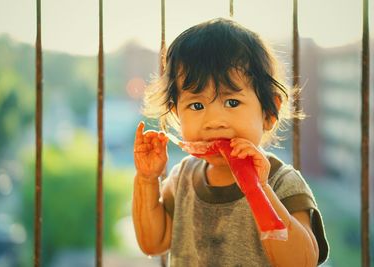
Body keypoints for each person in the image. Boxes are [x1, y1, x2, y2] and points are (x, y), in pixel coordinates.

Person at [132, 18, 329, 266]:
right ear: (176, 113)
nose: (214, 121)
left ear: (269, 113)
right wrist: (147, 179)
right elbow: (153, 242)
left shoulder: (282, 182)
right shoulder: (182, 177)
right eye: (196, 105)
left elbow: (301, 262)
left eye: (232, 102)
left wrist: (259, 190)